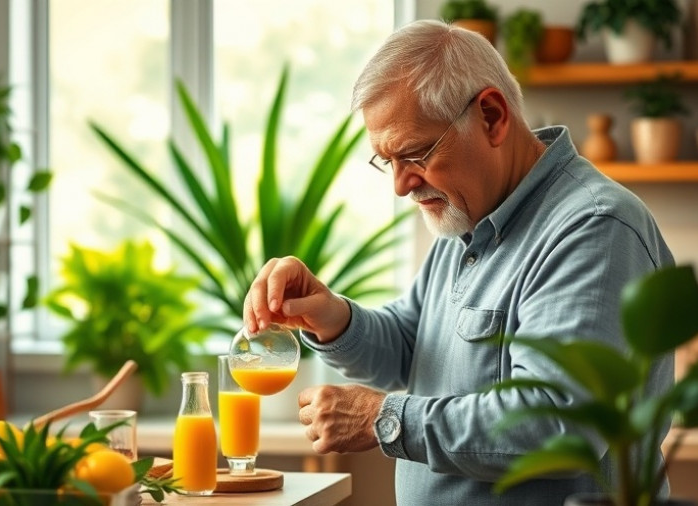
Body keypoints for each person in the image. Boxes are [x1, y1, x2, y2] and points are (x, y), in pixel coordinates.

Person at [242, 19, 675, 506]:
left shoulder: (593, 228)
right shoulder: (468, 215)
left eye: (414, 154)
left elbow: (558, 422)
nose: (401, 185)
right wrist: (331, 317)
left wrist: (384, 418)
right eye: (387, 161)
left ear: (490, 116)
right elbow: (412, 349)